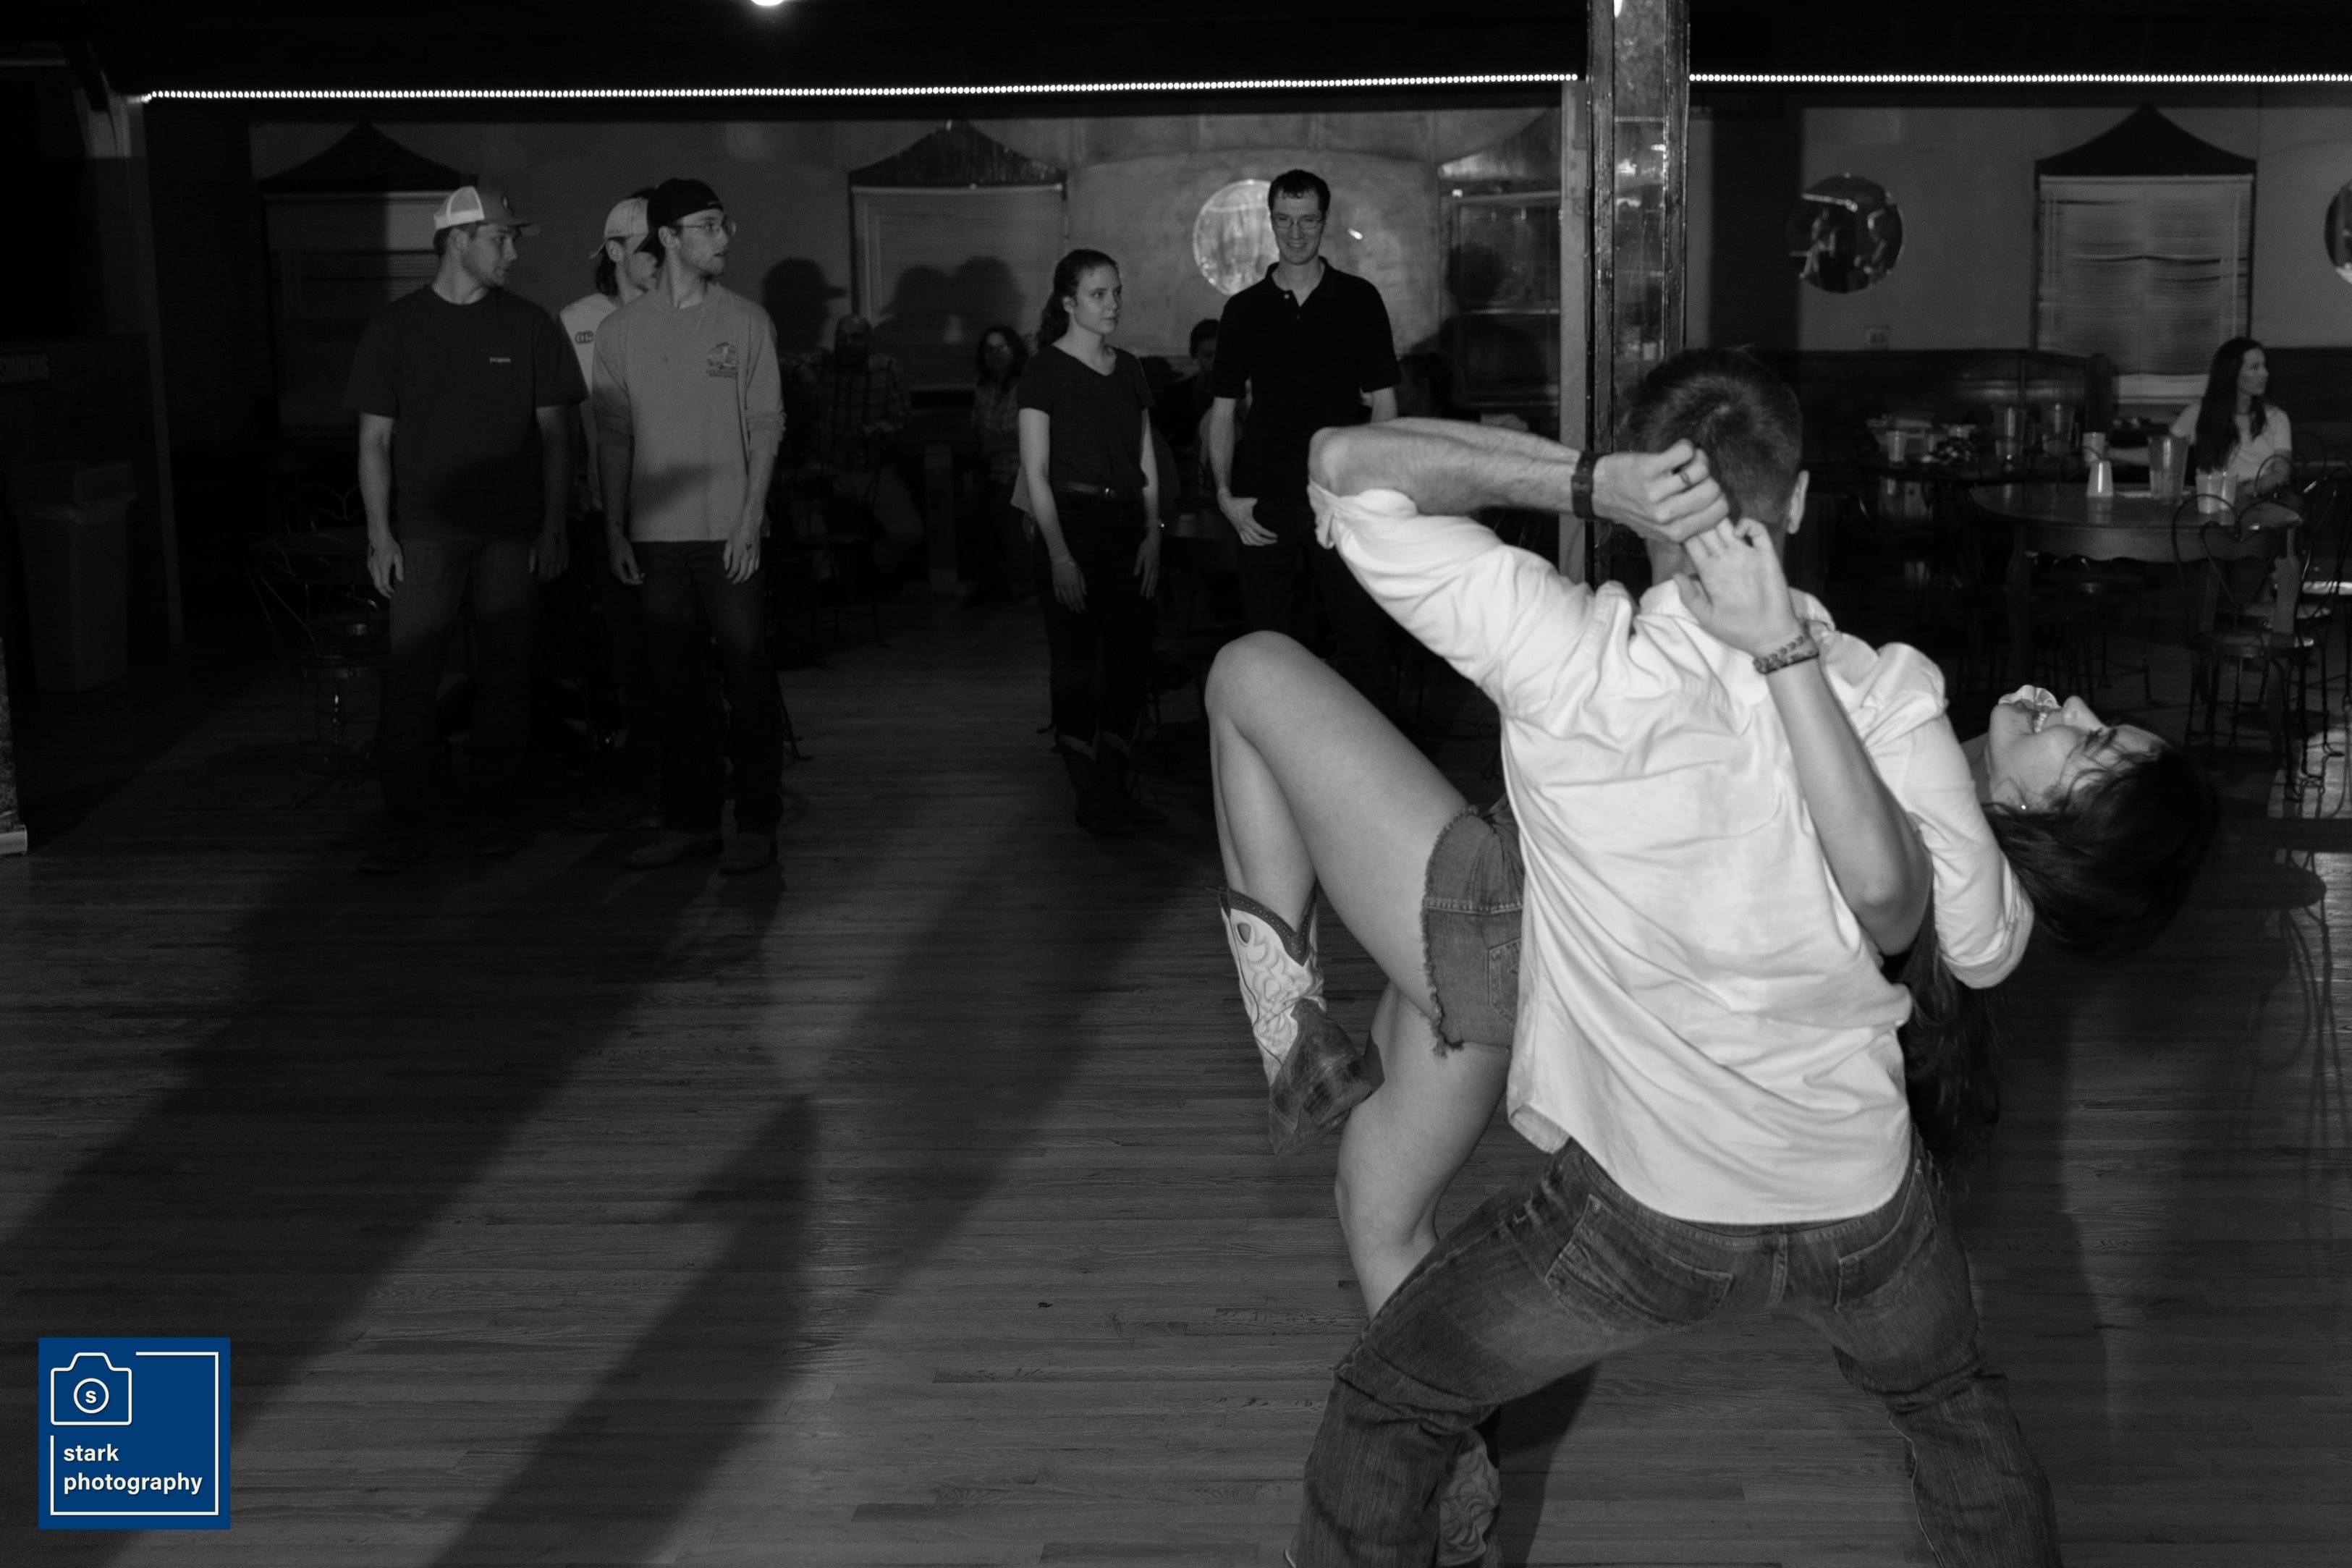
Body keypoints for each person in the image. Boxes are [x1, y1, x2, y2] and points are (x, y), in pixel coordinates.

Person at [1207, 349, 2218, 1567]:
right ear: (1797, 506)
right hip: (1848, 1189)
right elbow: (1951, 925)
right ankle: (1453, 1513)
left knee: (1250, 672)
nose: (2075, 710)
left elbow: (1344, 467)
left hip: (1546, 1003)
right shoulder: (1885, 708)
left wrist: (1594, 485)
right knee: (1377, 1200)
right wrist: (1789, 649)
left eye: (2089, 751)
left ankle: (1289, 1028)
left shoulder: (1682, 673)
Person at [344, 182, 582, 873]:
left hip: (511, 533)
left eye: (512, 240)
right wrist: (380, 534)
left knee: (505, 676)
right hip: (425, 535)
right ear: (457, 241)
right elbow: (373, 440)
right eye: (500, 239)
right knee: (411, 680)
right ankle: (404, 823)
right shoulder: (395, 328)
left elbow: (558, 436)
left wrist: (554, 524)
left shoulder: (530, 326)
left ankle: (490, 815)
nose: (512, 252)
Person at [593, 177, 787, 877]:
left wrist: (750, 519)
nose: (723, 236)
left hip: (728, 533)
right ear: (669, 238)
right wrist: (615, 529)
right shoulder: (620, 332)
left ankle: (757, 823)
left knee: (747, 676)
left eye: (723, 223)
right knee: (672, 686)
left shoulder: (747, 321)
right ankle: (692, 821)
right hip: (655, 539)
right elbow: (613, 438)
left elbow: (766, 426)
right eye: (707, 225)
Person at [1208, 169, 1403, 714]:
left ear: (1324, 221)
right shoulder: (1243, 310)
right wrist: (1224, 495)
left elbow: (1385, 404)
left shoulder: (1359, 299)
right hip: (1263, 500)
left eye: (1308, 220)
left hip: (1338, 499)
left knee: (1364, 642)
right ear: (1271, 222)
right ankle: (1276, 756)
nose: (1295, 233)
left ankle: (1376, 761)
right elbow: (1222, 412)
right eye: (1285, 220)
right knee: (1268, 648)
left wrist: (1370, 493)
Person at [1019, 248, 1164, 836]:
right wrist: (1059, 553)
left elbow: (1146, 455)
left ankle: (1111, 783)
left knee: (1131, 657)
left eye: (1116, 292)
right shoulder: (1044, 370)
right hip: (1073, 519)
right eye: (1099, 294)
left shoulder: (1128, 367)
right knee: (1075, 661)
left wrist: (1153, 530)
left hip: (1127, 519)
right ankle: (1090, 792)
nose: (1113, 304)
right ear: (1069, 302)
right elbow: (1035, 471)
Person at [559, 190, 661, 821]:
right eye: (647, 246)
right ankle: (645, 770)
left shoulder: (680, 313)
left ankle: (689, 766)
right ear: (616, 252)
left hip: (678, 508)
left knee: (681, 644)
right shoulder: (576, 321)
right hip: (609, 511)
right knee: (629, 648)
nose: (659, 256)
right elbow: (559, 420)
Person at [809, 314, 925, 575]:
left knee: (909, 532)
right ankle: (826, 576)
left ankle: (876, 567)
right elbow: (784, 361)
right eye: (842, 338)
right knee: (800, 506)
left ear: (870, 341)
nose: (848, 344)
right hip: (829, 466)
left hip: (872, 468)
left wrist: (866, 433)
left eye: (856, 338)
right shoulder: (822, 365)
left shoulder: (887, 369)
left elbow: (902, 420)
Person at [2115, 336, 2292, 496]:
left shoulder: (2276, 417)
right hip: (2212, 499)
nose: (2265, 374)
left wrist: (2244, 492)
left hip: (2259, 499)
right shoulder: (2200, 412)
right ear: (2232, 372)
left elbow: (2282, 471)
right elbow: (2165, 455)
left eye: (2264, 366)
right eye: (2255, 367)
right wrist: (2112, 453)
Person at [963, 323, 1031, 607]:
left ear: (1013, 350)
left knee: (1005, 507)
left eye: (999, 348)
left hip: (1023, 469)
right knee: (973, 507)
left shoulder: (1027, 385)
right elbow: (979, 432)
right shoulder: (983, 389)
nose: (993, 355)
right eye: (988, 350)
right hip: (992, 467)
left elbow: (1029, 434)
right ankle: (989, 581)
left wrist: (999, 442)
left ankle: (1023, 582)